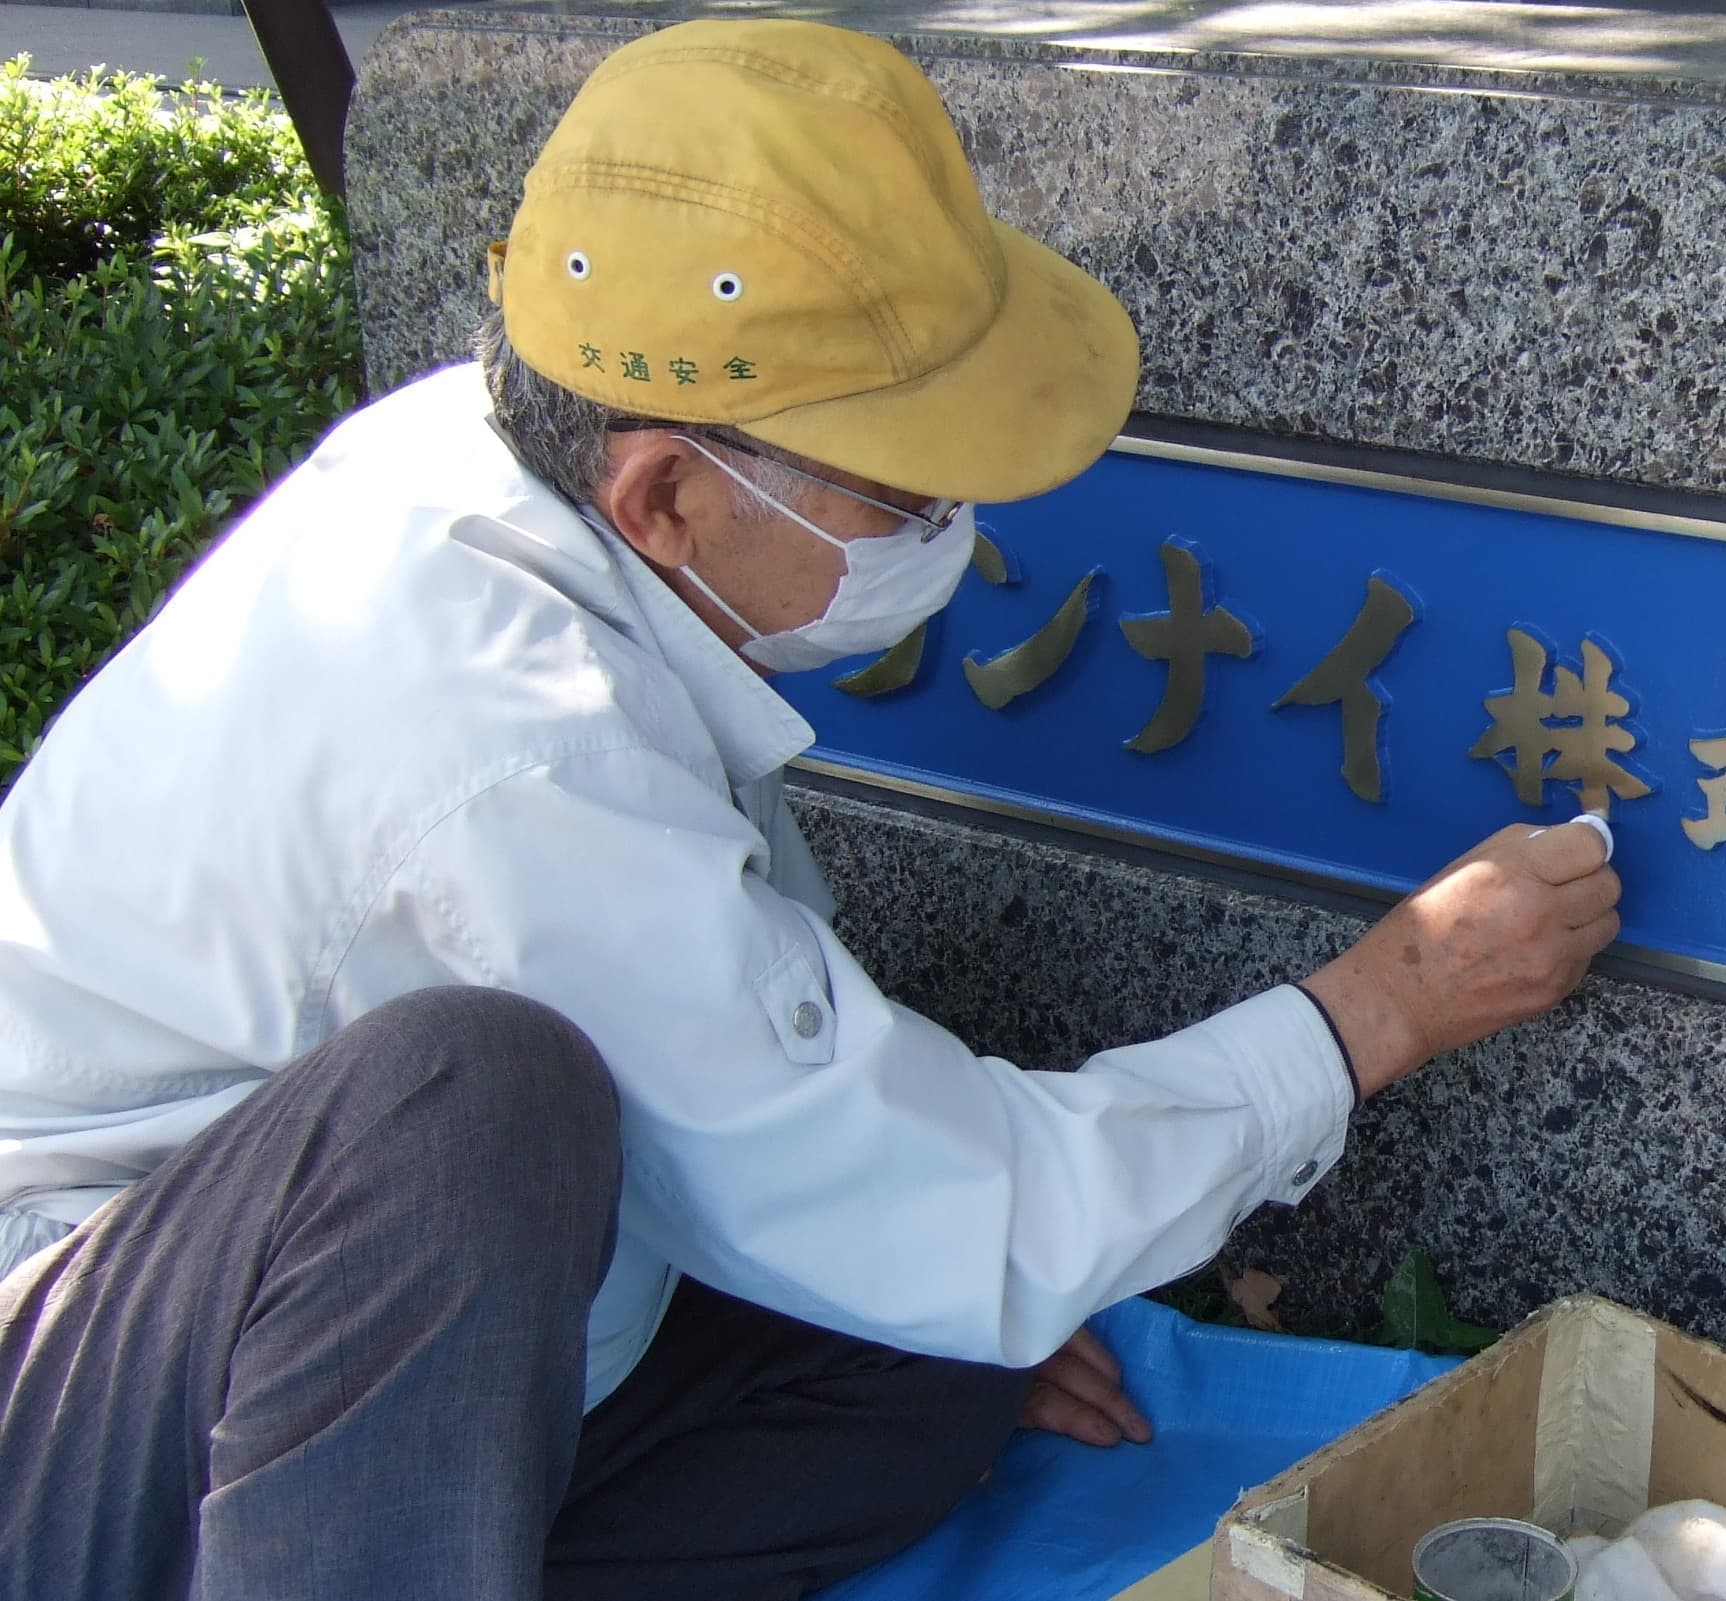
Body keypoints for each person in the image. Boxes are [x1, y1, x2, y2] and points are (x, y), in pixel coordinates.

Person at [0, 19, 1621, 1600]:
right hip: (100, 1413)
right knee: (472, 1097)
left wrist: (948, 1276)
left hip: (450, 1338)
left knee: (940, 1359)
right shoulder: (510, 748)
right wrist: (1382, 1004)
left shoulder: (525, 472)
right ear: (668, 493)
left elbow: (838, 1137)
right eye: (903, 488)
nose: (956, 534)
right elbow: (919, 1187)